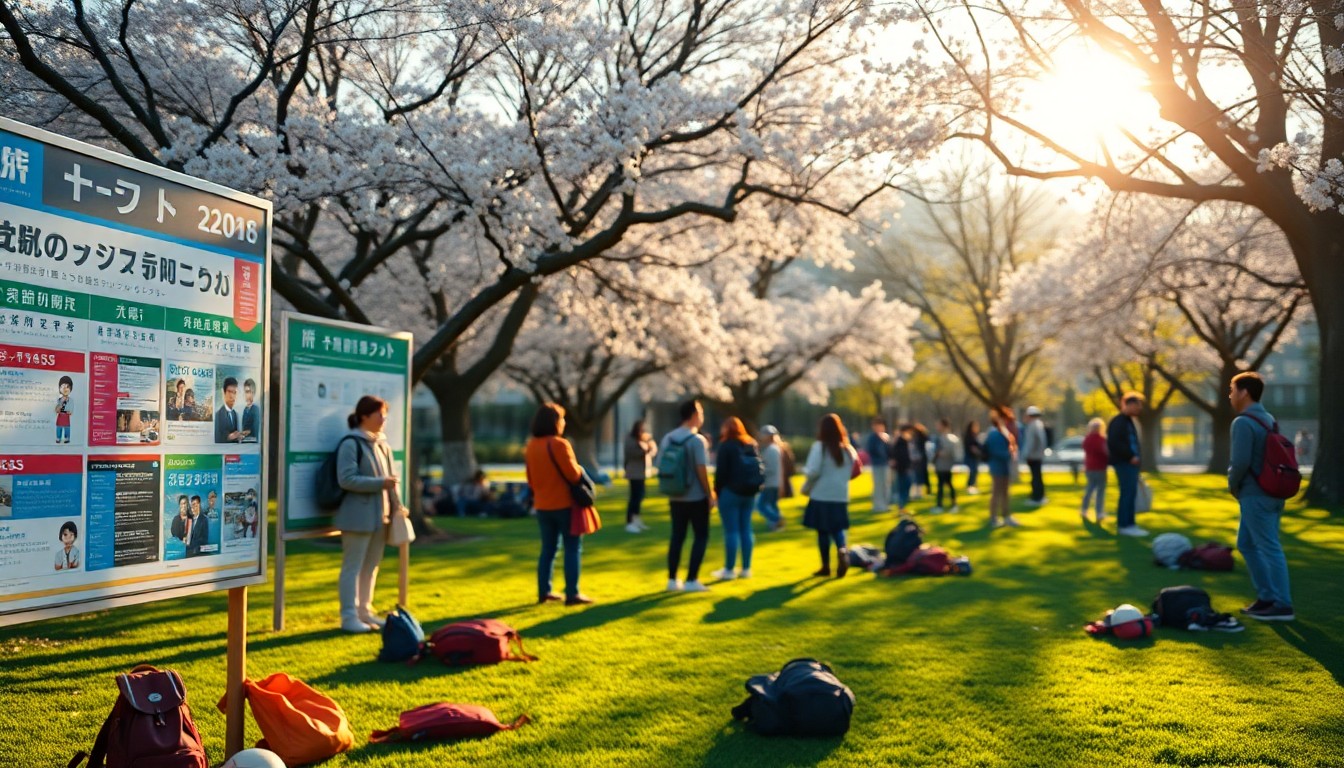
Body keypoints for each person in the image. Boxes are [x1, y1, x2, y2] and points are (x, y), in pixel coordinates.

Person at [1228, 372, 1294, 621]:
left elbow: (1240, 461)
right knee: (1246, 544)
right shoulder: (1268, 418)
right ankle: (1267, 598)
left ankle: (1282, 604)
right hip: (1274, 492)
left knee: (1269, 547)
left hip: (1256, 494)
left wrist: (1232, 485)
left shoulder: (1243, 422)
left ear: (1245, 392)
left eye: (1232, 389)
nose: (1230, 395)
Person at [334, 395, 403, 632]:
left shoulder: (382, 444)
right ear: (364, 416)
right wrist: (380, 483)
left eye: (384, 413)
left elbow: (392, 481)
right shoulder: (351, 443)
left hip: (380, 517)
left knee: (371, 566)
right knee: (352, 566)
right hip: (356, 516)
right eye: (379, 414)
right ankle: (349, 616)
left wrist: (397, 506)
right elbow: (346, 479)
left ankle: (365, 611)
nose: (384, 418)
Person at [524, 402, 593, 606]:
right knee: (572, 548)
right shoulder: (560, 444)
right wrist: (581, 470)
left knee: (548, 549)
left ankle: (544, 591)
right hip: (564, 504)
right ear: (555, 422)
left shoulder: (531, 446)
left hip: (543, 505)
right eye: (562, 419)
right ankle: (572, 593)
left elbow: (530, 479)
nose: (564, 423)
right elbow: (573, 475)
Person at [662, 400, 714, 593]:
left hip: (675, 495)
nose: (702, 417)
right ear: (693, 415)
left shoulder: (668, 438)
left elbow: (661, 464)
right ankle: (692, 579)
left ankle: (672, 579)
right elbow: (702, 469)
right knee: (701, 536)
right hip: (696, 497)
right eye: (700, 412)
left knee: (677, 536)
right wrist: (709, 494)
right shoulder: (697, 440)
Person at [802, 414, 858, 577]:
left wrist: (806, 481)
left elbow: (813, 471)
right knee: (837, 528)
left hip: (821, 494)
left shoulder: (820, 447)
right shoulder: (847, 449)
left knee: (823, 531)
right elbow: (852, 471)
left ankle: (825, 566)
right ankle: (842, 550)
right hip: (840, 494)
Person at [711, 417, 762, 580]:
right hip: (750, 492)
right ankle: (746, 568)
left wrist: (717, 492)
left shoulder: (726, 446)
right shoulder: (751, 443)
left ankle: (729, 569)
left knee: (732, 531)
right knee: (746, 528)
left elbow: (721, 473)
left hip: (731, 492)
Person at [1107, 392, 1147, 537]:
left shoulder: (1129, 421)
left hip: (1131, 464)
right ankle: (1124, 524)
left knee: (1131, 493)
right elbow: (1114, 443)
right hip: (1124, 463)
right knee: (1127, 493)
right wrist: (1130, 457)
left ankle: (1130, 523)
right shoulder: (1118, 422)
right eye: (1137, 406)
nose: (1138, 410)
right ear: (1129, 405)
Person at [985, 407, 1021, 528]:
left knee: (1005, 492)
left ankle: (1006, 516)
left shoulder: (1002, 432)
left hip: (1003, 466)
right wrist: (1010, 454)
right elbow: (996, 451)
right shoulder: (995, 433)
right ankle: (994, 518)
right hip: (997, 466)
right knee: (997, 492)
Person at [623, 420, 657, 533]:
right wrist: (645, 450)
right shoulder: (630, 439)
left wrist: (650, 448)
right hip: (634, 472)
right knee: (635, 497)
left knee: (640, 496)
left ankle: (636, 519)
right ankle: (630, 521)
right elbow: (631, 453)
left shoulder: (644, 438)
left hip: (641, 473)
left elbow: (652, 450)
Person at [756, 425, 785, 531]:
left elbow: (771, 468)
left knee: (761, 505)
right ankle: (777, 525)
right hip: (774, 482)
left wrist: (759, 470)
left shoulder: (772, 450)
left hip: (770, 482)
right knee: (772, 505)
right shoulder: (773, 448)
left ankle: (777, 519)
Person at [1081, 418, 1109, 522]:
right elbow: (1105, 453)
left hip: (1089, 467)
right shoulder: (1102, 440)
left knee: (1089, 489)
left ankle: (1084, 509)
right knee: (1100, 491)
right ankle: (1099, 512)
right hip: (1100, 467)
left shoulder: (1087, 439)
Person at [931, 418, 961, 513]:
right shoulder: (940, 437)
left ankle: (949, 504)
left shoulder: (949, 438)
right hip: (940, 465)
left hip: (946, 466)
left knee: (946, 485)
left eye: (939, 425)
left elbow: (950, 452)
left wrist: (940, 453)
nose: (937, 427)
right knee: (942, 485)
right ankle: (943, 504)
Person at [1021, 406, 1049, 505]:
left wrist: (1026, 454)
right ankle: (1039, 496)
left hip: (1033, 456)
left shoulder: (1033, 425)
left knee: (1035, 477)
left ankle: (1036, 497)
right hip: (1038, 456)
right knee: (1037, 477)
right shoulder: (1039, 424)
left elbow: (1031, 443)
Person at [865, 418, 892, 513]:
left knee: (886, 485)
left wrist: (890, 458)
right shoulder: (872, 438)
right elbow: (870, 450)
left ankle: (885, 504)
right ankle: (878, 506)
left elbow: (889, 450)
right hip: (877, 464)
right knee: (878, 485)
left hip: (885, 464)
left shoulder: (886, 437)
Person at [889, 425, 914, 513]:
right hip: (902, 468)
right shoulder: (900, 442)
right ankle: (901, 507)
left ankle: (902, 507)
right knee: (903, 487)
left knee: (905, 486)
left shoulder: (903, 441)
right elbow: (899, 455)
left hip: (904, 468)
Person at [214, 377, 244, 443]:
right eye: (229, 392)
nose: (232, 396)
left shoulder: (235, 414)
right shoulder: (217, 415)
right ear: (224, 393)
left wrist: (239, 436)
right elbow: (216, 438)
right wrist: (229, 437)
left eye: (234, 392)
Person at [963, 421, 985, 494]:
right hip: (970, 457)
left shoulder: (975, 436)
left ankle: (973, 486)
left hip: (974, 457)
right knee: (972, 472)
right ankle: (970, 486)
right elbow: (972, 448)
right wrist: (980, 453)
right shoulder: (969, 436)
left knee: (974, 472)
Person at [909, 422, 929, 500]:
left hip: (918, 459)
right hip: (917, 459)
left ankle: (918, 493)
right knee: (917, 476)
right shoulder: (917, 437)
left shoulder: (919, 438)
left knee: (917, 476)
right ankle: (917, 493)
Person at [54, 375, 74, 444]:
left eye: (67, 387)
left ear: (71, 389)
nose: (65, 389)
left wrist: (70, 411)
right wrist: (60, 403)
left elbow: (71, 409)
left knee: (67, 428)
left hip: (66, 416)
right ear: (59, 388)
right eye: (63, 386)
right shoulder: (59, 399)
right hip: (60, 415)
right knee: (59, 427)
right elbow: (56, 409)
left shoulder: (70, 400)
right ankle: (58, 438)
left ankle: (67, 438)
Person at [241, 378, 261, 442]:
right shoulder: (245, 409)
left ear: (253, 393)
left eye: (248, 392)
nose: (246, 395)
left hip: (252, 443)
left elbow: (255, 429)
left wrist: (246, 432)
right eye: (245, 392)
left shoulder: (255, 409)